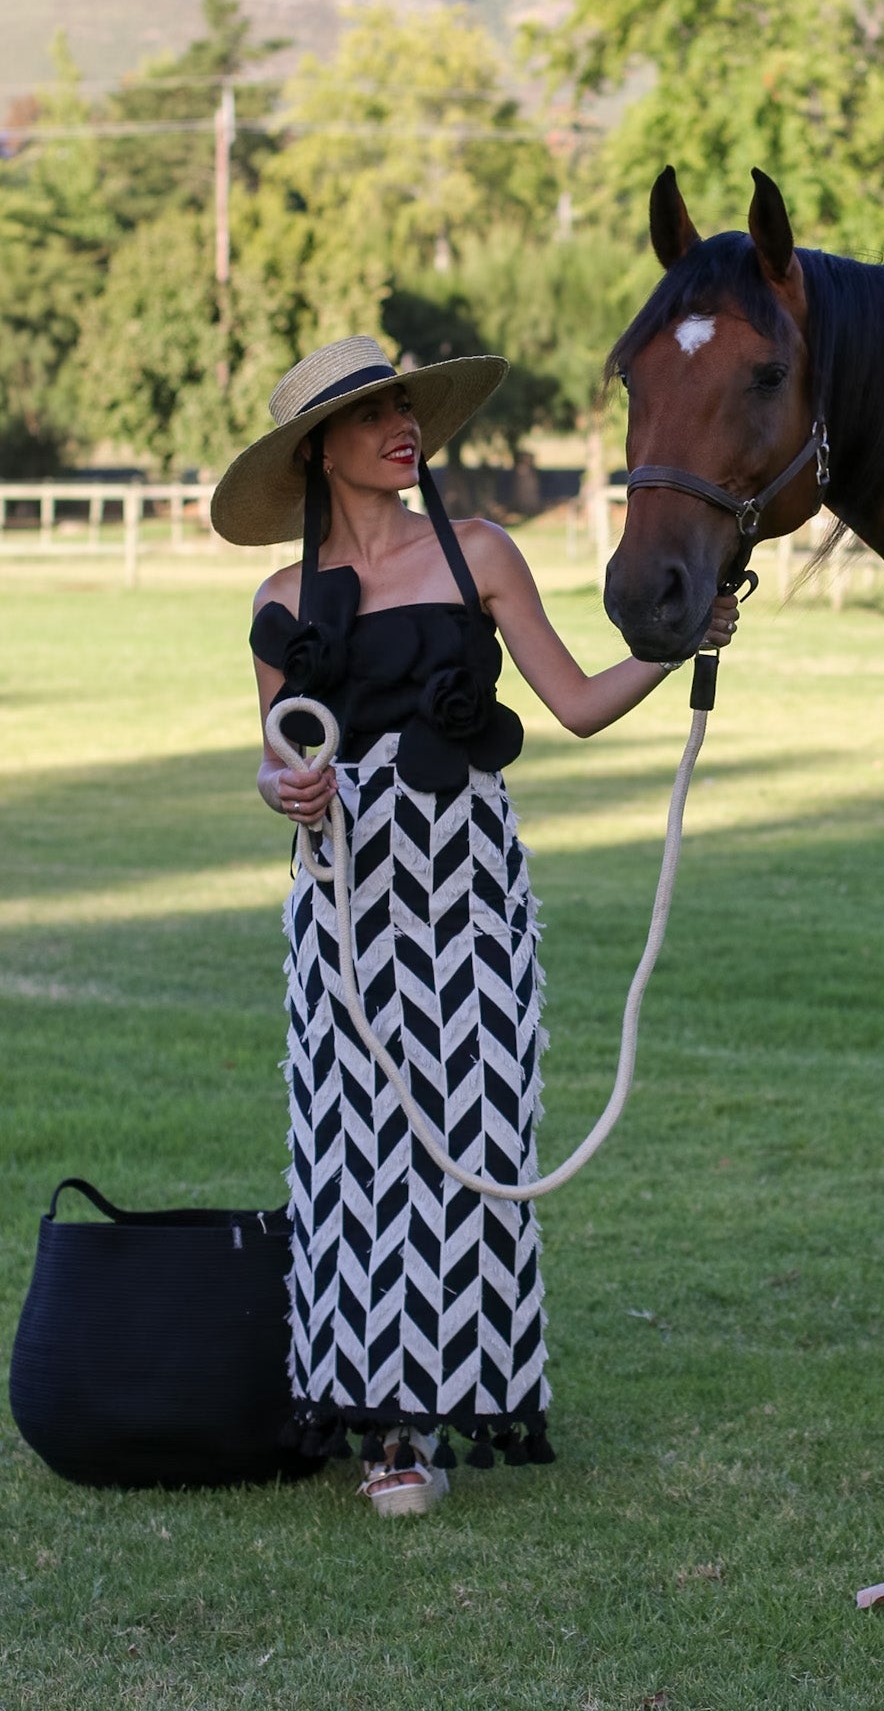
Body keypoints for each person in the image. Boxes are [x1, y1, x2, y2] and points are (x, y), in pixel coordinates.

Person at [210, 336, 737, 1516]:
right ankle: (383, 1429)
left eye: (406, 407)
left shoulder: (481, 552)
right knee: (352, 1151)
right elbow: (275, 755)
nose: (402, 427)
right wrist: (286, 787)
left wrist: (677, 642)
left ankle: (454, 1393)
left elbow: (578, 703)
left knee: (477, 1132)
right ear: (319, 450)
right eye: (373, 415)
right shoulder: (281, 602)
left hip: (467, 887)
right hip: (343, 895)